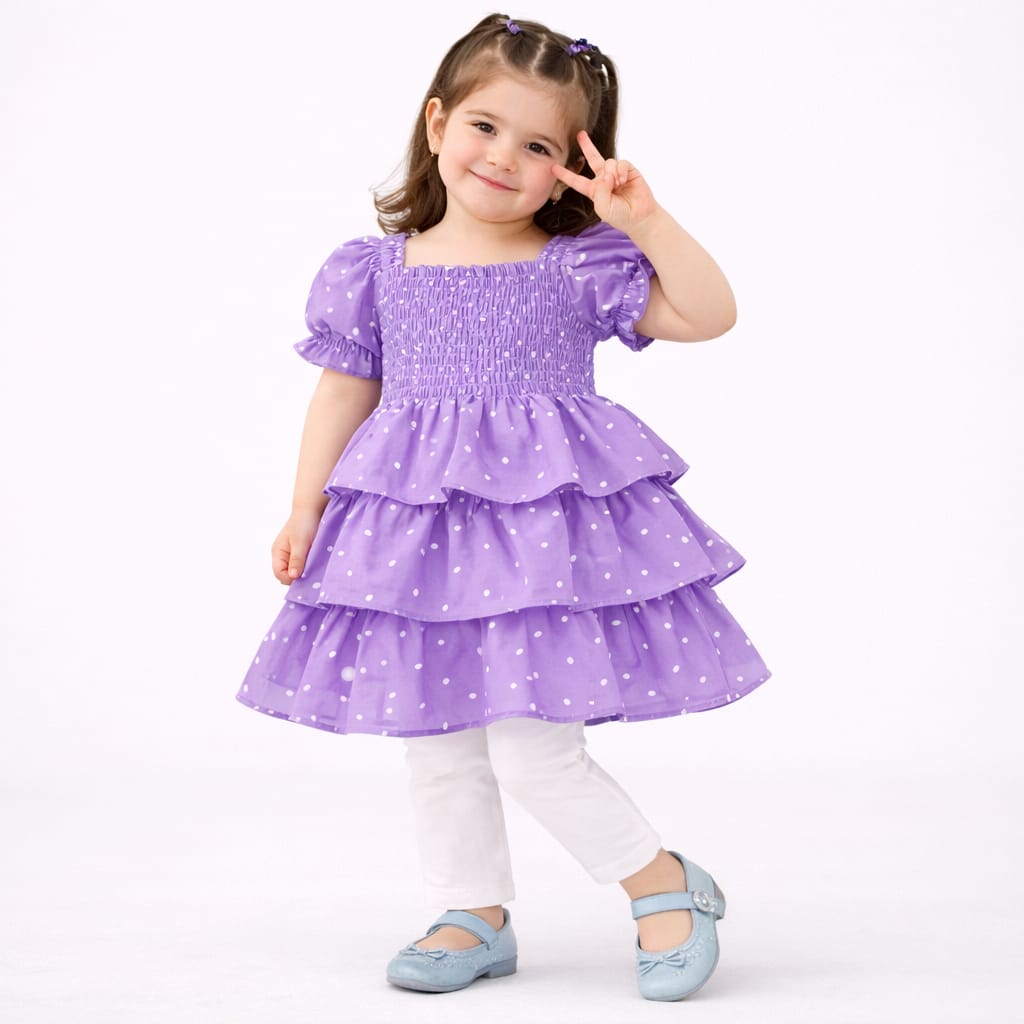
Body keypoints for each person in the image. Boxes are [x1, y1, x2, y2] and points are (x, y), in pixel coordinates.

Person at [236, 12, 770, 1002]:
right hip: (414, 539)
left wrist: (645, 221)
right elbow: (343, 391)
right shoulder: (376, 271)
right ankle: (469, 910)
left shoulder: (578, 265)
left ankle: (661, 882)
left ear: (570, 167)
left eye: (538, 147)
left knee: (531, 747)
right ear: (437, 122)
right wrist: (305, 508)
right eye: (485, 127)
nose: (503, 158)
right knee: (434, 742)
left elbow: (708, 314)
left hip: (535, 545)